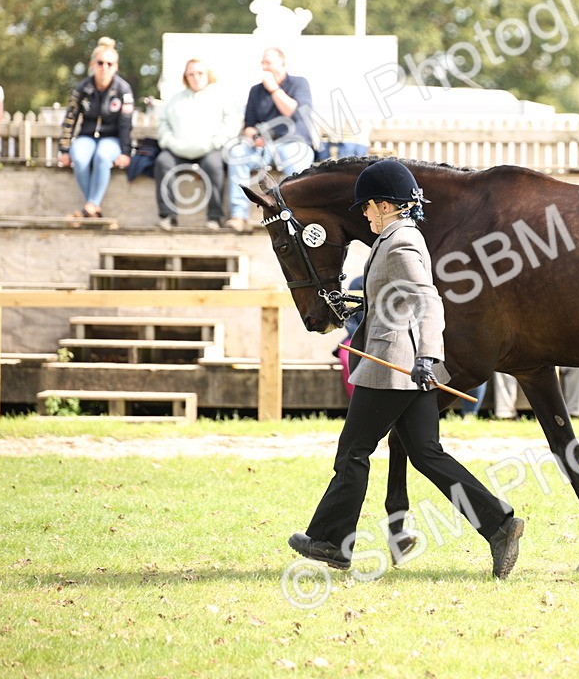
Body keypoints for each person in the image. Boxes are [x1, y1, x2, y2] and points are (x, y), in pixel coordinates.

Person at [289, 159, 525, 578]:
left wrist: (427, 358)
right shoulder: (395, 239)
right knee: (426, 453)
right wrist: (358, 304)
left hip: (394, 367)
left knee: (353, 451)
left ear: (384, 206)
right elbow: (396, 298)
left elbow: (428, 301)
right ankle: (499, 524)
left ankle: (331, 541)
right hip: (402, 362)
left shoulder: (402, 243)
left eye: (366, 207)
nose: (363, 214)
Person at [225, 47, 316, 231]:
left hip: (293, 143)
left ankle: (297, 215)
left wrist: (273, 88)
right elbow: (249, 125)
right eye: (262, 62)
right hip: (263, 147)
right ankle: (238, 216)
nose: (264, 66)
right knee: (237, 153)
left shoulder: (299, 84)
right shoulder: (255, 91)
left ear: (282, 63)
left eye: (268, 62)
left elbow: (292, 111)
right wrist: (254, 136)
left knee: (295, 161)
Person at [154, 58, 240, 229]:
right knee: (163, 161)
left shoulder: (220, 97)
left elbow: (232, 123)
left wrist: (216, 142)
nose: (196, 77)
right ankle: (168, 216)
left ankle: (214, 218)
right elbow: (163, 124)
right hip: (178, 150)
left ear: (207, 75)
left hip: (210, 149)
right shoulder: (175, 100)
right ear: (186, 77)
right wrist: (170, 142)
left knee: (214, 165)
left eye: (200, 73)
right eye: (191, 74)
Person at [57, 37, 134, 220]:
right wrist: (65, 150)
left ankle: (90, 206)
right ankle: (93, 207)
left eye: (109, 63)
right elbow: (70, 119)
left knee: (102, 156)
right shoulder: (82, 88)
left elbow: (125, 124)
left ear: (116, 67)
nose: (104, 67)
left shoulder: (124, 90)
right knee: (80, 157)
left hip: (111, 138)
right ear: (93, 64)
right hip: (87, 136)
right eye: (100, 63)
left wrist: (125, 152)